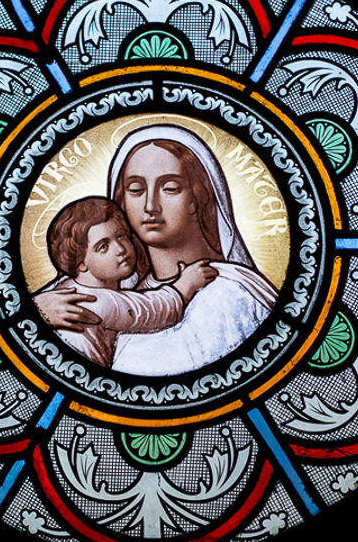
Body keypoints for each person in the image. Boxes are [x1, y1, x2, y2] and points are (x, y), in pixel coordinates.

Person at [34, 125, 278, 376]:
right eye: (136, 190)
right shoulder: (108, 289)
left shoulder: (228, 294)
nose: (151, 206)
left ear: (197, 197)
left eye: (170, 188)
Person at [44, 196, 217, 367]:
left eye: (121, 236)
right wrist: (186, 284)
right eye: (103, 247)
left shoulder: (68, 287)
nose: (120, 249)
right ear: (80, 264)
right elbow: (154, 310)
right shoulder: (96, 302)